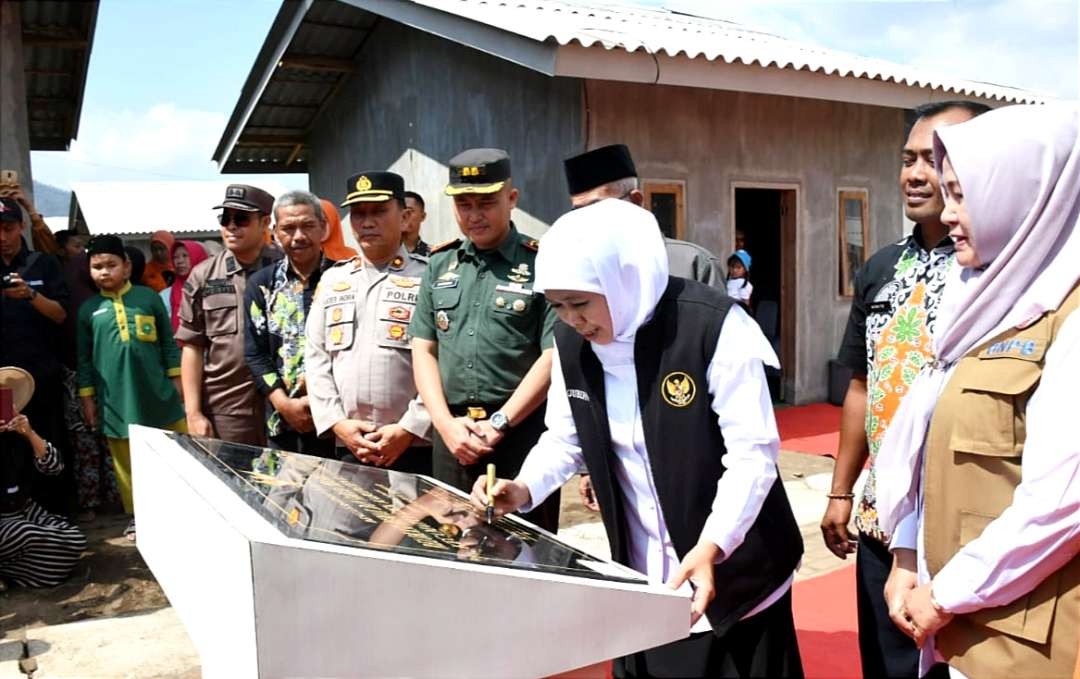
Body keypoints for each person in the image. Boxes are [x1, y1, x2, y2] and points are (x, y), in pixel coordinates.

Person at [473, 199, 804, 678]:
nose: (571, 320)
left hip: (736, 577)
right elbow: (565, 440)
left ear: (622, 278)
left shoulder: (709, 328)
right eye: (557, 306)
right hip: (646, 579)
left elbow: (752, 457)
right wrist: (522, 488)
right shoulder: (572, 345)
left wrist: (714, 544)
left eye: (581, 303)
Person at [872, 104, 1080, 679]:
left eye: (964, 196)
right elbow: (932, 447)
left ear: (1027, 199)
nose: (950, 213)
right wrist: (908, 555)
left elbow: (1061, 508)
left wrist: (944, 595)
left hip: (1023, 643)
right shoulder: (985, 302)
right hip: (957, 625)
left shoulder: (1070, 318)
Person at [819, 100, 989, 679]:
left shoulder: (997, 271)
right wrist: (842, 491)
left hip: (961, 522)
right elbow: (862, 382)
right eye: (908, 158)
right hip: (882, 518)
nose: (917, 173)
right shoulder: (880, 267)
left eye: (934, 158)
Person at [410, 148, 560, 532]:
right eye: (464, 204)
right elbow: (423, 349)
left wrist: (500, 422)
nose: (474, 215)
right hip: (452, 436)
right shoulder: (440, 264)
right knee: (450, 542)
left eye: (487, 203)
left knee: (526, 548)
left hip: (519, 434)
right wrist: (444, 425)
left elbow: (552, 355)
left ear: (512, 199)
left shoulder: (543, 262)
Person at [306, 173, 432, 472]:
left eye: (378, 211)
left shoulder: (430, 277)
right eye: (359, 213)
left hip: (416, 443)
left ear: (404, 217)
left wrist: (411, 427)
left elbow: (445, 361)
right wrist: (336, 423)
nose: (367, 222)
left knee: (417, 520)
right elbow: (316, 357)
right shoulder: (334, 279)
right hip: (351, 443)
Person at [77, 235, 186, 540]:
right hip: (116, 399)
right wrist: (88, 398)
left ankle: (180, 509)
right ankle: (140, 516)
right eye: (97, 266)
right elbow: (83, 360)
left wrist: (177, 380)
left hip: (157, 393)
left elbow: (167, 342)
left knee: (172, 450)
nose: (104, 272)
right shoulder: (88, 310)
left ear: (126, 267)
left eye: (111, 265)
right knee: (127, 462)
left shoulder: (147, 298)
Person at [176, 184, 280, 445]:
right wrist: (193, 412)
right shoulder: (204, 276)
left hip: (284, 403)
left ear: (265, 222)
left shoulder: (285, 269)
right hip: (227, 408)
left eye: (241, 219)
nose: (231, 226)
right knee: (233, 482)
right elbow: (192, 346)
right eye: (225, 218)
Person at [245, 190, 336, 457]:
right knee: (285, 496)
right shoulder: (261, 285)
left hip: (339, 422)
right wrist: (283, 404)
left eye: (307, 225)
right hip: (283, 421)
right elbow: (255, 352)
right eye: (288, 228)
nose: (298, 236)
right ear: (274, 232)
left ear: (324, 227)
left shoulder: (346, 278)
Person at [0, 196, 73, 516]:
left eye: (8, 228)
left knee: (48, 441)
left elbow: (60, 314)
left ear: (21, 227)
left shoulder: (43, 264)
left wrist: (31, 294)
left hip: (42, 375)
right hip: (3, 381)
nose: (2, 237)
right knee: (8, 448)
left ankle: (58, 517)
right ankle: (15, 519)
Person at [563, 144, 723, 286]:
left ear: (635, 200)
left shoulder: (693, 265)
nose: (586, 220)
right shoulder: (576, 268)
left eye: (597, 208)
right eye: (579, 211)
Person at [0, 366, 87, 589]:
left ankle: (11, 575)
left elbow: (54, 467)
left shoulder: (19, 431)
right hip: (6, 522)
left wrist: (29, 434)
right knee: (25, 533)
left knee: (75, 539)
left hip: (23, 509)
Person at [160, 240, 208, 333]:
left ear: (197, 257)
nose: (180, 261)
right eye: (175, 257)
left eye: (185, 256)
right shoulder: (167, 294)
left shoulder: (210, 289)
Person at [402, 190, 431, 256]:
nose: (404, 215)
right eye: (400, 210)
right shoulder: (382, 254)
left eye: (409, 211)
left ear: (423, 216)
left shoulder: (434, 256)